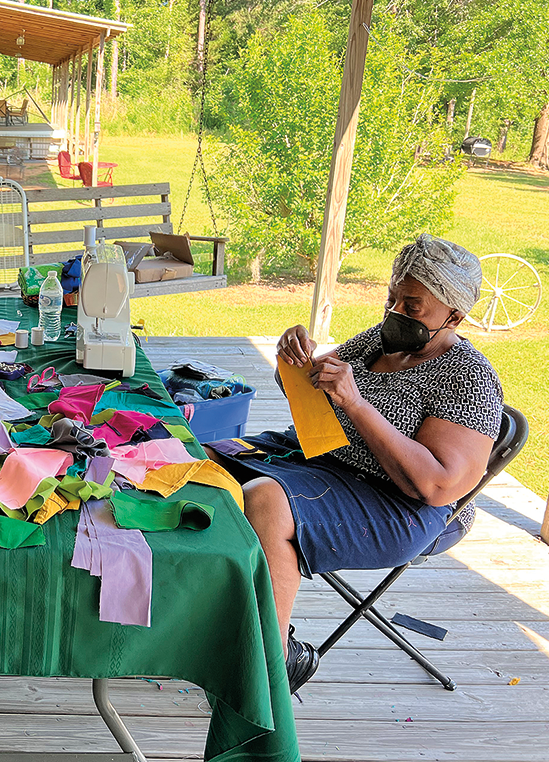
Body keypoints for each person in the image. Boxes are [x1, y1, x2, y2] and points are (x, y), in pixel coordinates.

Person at [208, 235, 503, 695]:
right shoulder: (378, 341)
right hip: (327, 460)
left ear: (455, 316)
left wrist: (358, 404)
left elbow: (438, 486)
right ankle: (209, 618)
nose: (396, 312)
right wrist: (294, 360)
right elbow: (311, 391)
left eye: (414, 304)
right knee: (205, 462)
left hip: (401, 505)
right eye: (393, 298)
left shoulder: (469, 377)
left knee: (265, 500)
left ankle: (273, 661)